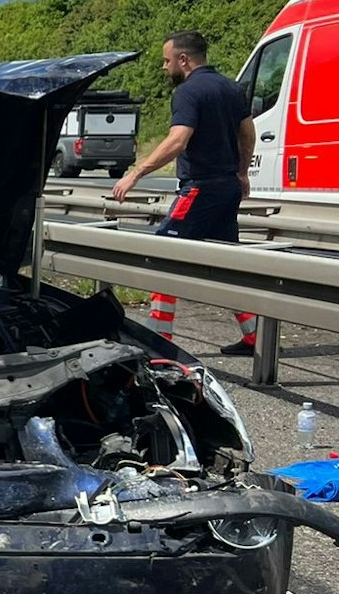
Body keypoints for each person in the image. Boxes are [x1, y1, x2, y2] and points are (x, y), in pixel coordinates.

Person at [111, 31, 260, 356]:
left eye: (167, 61)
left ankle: (158, 338)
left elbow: (178, 140)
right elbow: (248, 132)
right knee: (227, 264)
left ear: (183, 59)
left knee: (163, 255)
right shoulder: (231, 88)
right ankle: (255, 336)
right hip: (228, 187)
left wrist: (136, 173)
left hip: (200, 188)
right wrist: (242, 172)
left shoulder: (188, 92)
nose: (164, 67)